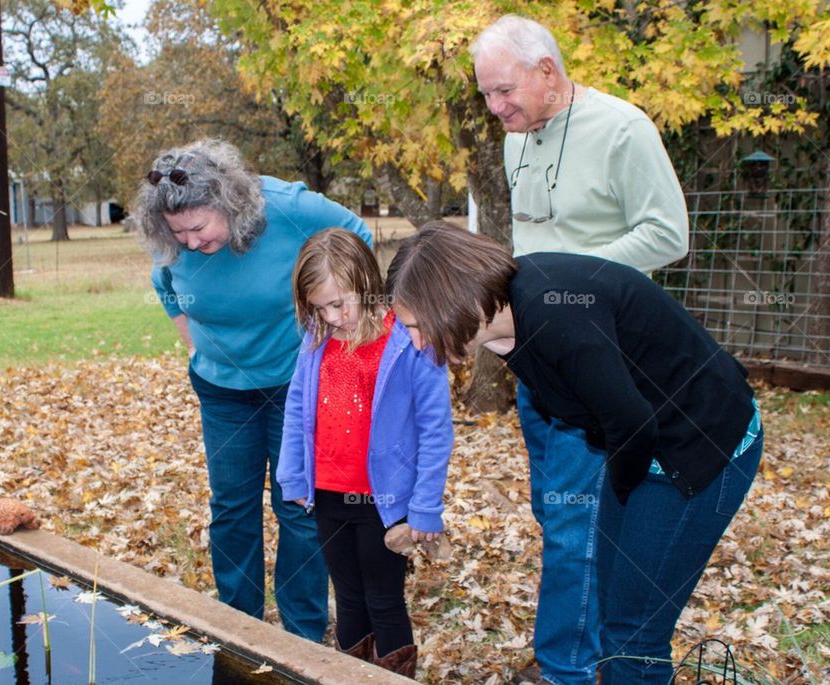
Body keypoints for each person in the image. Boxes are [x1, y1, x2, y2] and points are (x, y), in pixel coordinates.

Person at [387, 223, 763, 685]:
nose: (420, 343)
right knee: (613, 610)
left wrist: (626, 499)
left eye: (418, 327)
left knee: (634, 636)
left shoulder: (555, 314)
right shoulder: (507, 320)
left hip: (703, 447)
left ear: (451, 300)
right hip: (647, 448)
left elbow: (631, 422)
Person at [471, 14, 690, 683]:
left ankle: (565, 670)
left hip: (601, 358)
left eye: (505, 90)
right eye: (486, 94)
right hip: (539, 362)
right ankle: (592, 651)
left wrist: (578, 285)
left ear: (548, 70)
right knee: (560, 513)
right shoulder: (517, 139)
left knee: (574, 525)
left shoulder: (623, 129)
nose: (496, 107)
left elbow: (668, 233)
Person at [134, 139, 372, 642]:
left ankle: (301, 634)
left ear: (229, 203)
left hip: (295, 383)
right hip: (221, 391)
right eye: (179, 234)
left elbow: (355, 234)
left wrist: (338, 320)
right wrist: (191, 337)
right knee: (232, 506)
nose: (191, 243)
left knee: (297, 506)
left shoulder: (288, 208)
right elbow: (165, 283)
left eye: (200, 228)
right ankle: (238, 627)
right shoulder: (175, 241)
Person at [276, 229, 454, 678]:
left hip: (386, 501)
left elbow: (436, 430)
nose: (332, 317)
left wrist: (426, 508)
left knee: (383, 598)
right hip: (330, 493)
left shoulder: (410, 338)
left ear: (368, 283)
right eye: (320, 307)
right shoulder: (317, 338)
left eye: (339, 303)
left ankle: (394, 675)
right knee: (348, 596)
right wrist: (294, 475)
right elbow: (298, 407)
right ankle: (350, 674)